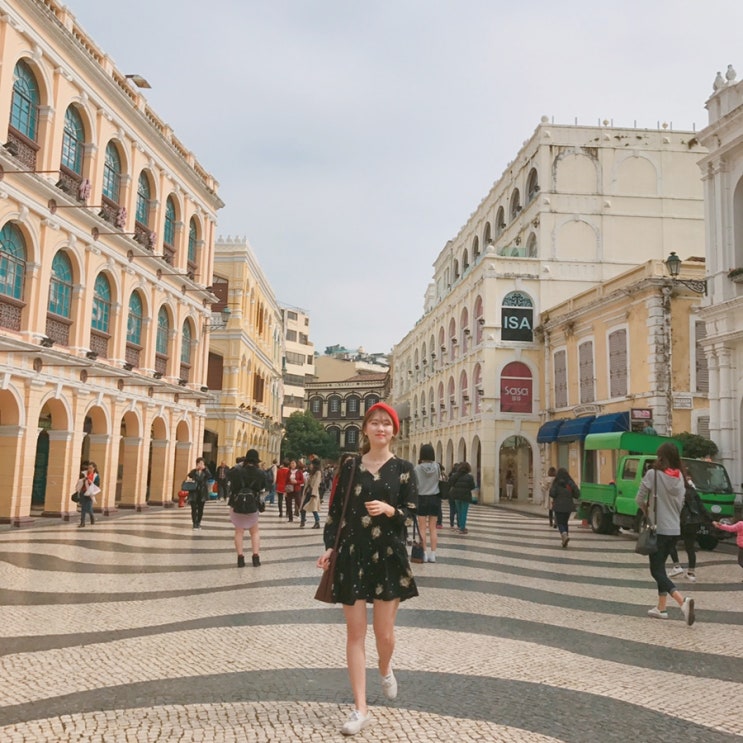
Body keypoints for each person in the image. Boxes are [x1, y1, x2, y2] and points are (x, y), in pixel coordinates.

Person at [316, 402, 418, 736]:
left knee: (383, 634)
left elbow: (411, 514)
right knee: (355, 633)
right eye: (374, 422)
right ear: (365, 429)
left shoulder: (404, 469)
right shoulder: (350, 467)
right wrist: (330, 547)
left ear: (394, 431)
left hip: (388, 555)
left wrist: (391, 510)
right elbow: (336, 512)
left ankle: (385, 667)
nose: (380, 428)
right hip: (352, 555)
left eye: (386, 423)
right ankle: (360, 708)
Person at [636, 442, 696, 625]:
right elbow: (681, 503)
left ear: (660, 456)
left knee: (656, 570)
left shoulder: (653, 474)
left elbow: (639, 498)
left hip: (658, 529)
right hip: (674, 529)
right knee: (661, 567)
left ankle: (682, 602)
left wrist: (647, 511)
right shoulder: (680, 477)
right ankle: (661, 608)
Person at [227, 449, 267, 567]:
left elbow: (228, 476)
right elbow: (265, 487)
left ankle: (240, 558)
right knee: (254, 532)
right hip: (252, 504)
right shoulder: (260, 473)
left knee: (239, 531)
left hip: (237, 504)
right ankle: (256, 557)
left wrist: (238, 465)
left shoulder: (237, 471)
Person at [667, 480, 712, 581]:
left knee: (670, 543)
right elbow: (701, 507)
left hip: (680, 521)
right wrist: (711, 520)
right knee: (690, 548)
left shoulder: (676, 491)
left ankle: (676, 566)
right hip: (693, 523)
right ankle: (691, 573)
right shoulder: (692, 491)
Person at [413, 444, 441, 562]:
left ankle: (424, 553)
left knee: (422, 528)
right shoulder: (437, 467)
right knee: (433, 528)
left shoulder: (417, 468)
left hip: (421, 498)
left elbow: (415, 484)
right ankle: (433, 554)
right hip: (434, 498)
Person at [549, 467, 579, 548]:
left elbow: (552, 493)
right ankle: (564, 540)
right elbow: (577, 493)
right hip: (569, 506)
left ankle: (564, 534)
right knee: (565, 522)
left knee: (560, 523)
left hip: (558, 505)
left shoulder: (556, 482)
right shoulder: (570, 482)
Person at [187, 457, 212, 529]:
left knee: (200, 509)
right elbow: (189, 475)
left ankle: (198, 522)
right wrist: (195, 469)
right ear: (197, 464)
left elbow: (209, 476)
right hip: (194, 492)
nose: (201, 465)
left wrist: (205, 469)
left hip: (202, 493)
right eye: (199, 463)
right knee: (193, 508)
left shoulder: (205, 471)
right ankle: (194, 523)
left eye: (202, 463)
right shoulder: (194, 471)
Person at [451, 462, 476, 535]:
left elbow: (451, 483)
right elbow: (472, 487)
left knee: (459, 512)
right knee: (464, 512)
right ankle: (462, 528)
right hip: (465, 496)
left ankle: (460, 526)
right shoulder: (470, 477)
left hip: (456, 495)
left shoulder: (455, 475)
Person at [301, 458, 322, 528]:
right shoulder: (312, 472)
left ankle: (317, 522)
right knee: (303, 507)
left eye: (311, 464)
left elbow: (316, 483)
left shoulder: (318, 472)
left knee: (313, 508)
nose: (310, 465)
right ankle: (303, 520)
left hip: (313, 493)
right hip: (308, 491)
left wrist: (314, 493)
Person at [78, 461, 99, 528]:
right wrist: (83, 480)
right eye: (88, 468)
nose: (89, 469)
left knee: (89, 508)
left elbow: (97, 485)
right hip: (83, 492)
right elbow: (79, 481)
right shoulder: (84, 474)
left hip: (90, 493)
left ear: (94, 468)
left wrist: (90, 482)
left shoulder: (96, 476)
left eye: (91, 468)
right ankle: (82, 523)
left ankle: (92, 517)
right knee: (83, 508)